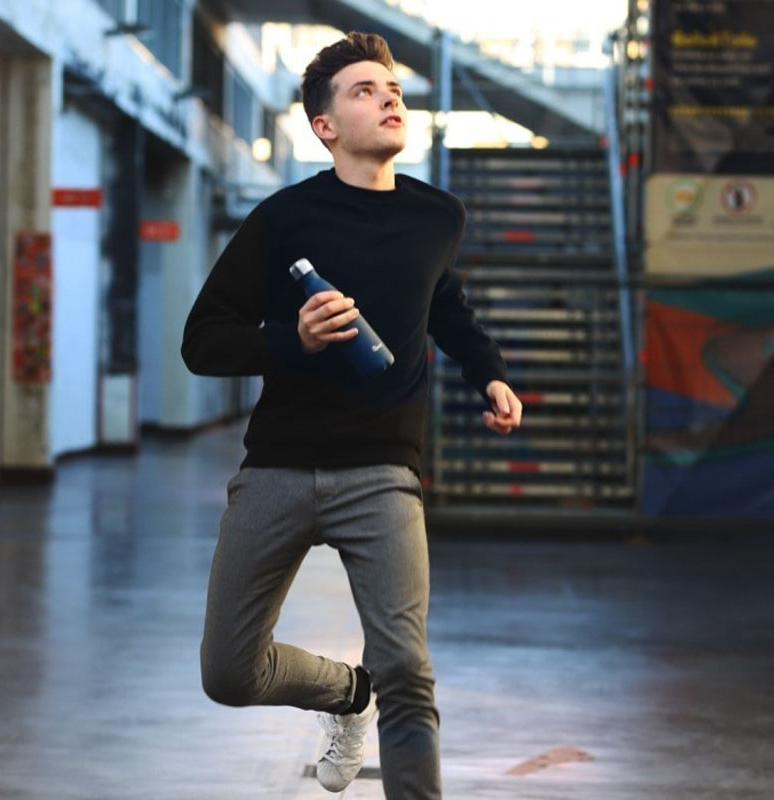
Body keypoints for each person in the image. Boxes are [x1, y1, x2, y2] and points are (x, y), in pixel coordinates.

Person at [180, 30, 522, 799]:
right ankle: (345, 694)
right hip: (277, 467)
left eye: (393, 88)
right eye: (365, 91)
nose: (390, 99)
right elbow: (202, 341)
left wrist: (489, 374)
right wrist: (291, 339)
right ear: (325, 126)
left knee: (407, 667)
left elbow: (446, 307)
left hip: (382, 473)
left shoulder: (438, 217)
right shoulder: (282, 220)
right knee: (229, 672)